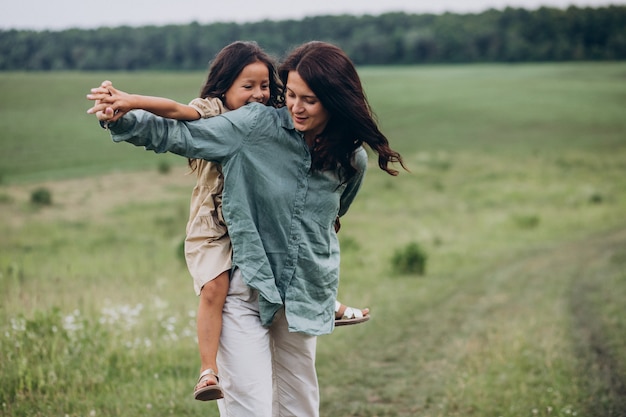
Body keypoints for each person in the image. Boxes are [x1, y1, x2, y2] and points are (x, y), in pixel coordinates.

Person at [87, 40, 405, 417]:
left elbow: (333, 217)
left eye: (310, 100)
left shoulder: (351, 160)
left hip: (304, 291)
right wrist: (119, 118)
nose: (296, 108)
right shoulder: (254, 127)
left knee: (300, 405)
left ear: (335, 102)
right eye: (290, 94)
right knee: (248, 407)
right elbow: (180, 134)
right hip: (245, 287)